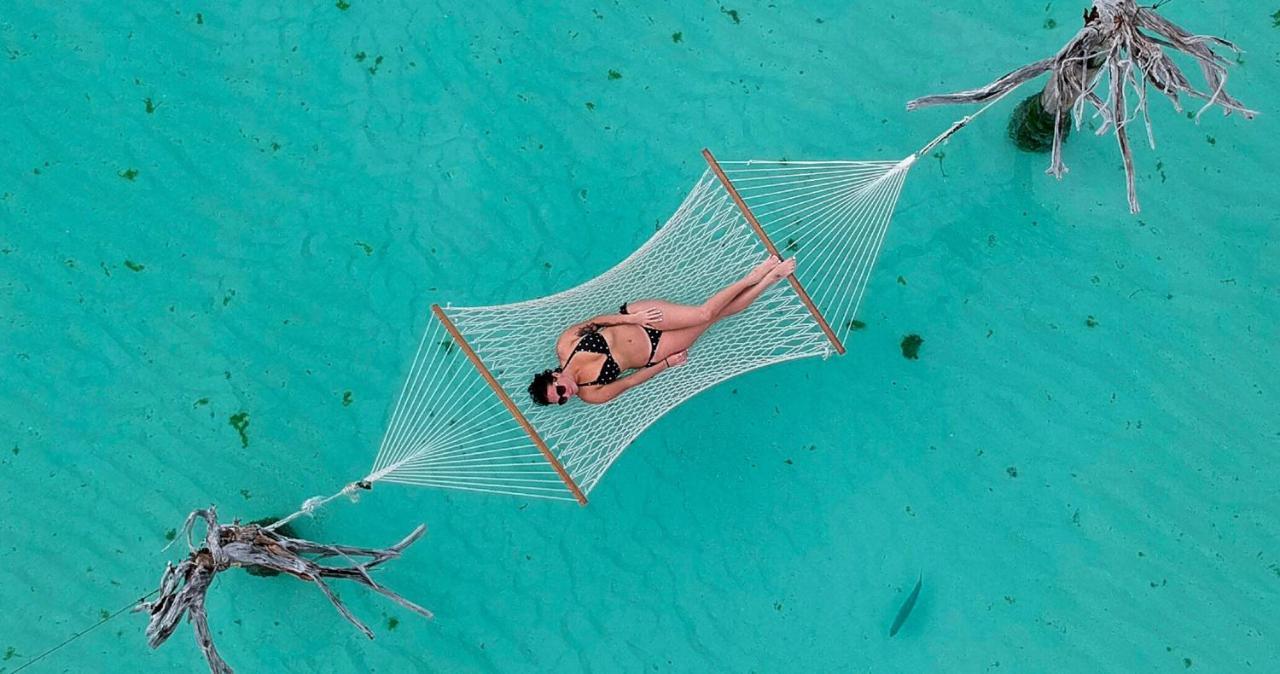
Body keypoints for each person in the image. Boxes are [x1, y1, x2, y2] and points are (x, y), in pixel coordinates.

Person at [527, 255, 796, 405]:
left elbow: (596, 321)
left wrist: (633, 319)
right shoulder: (591, 393)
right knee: (715, 316)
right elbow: (631, 381)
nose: (566, 396)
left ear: (554, 375)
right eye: (561, 401)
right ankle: (769, 280)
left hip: (641, 319)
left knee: (704, 313)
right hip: (654, 351)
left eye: (559, 391)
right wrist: (666, 363)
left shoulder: (565, 346)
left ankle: (755, 274)